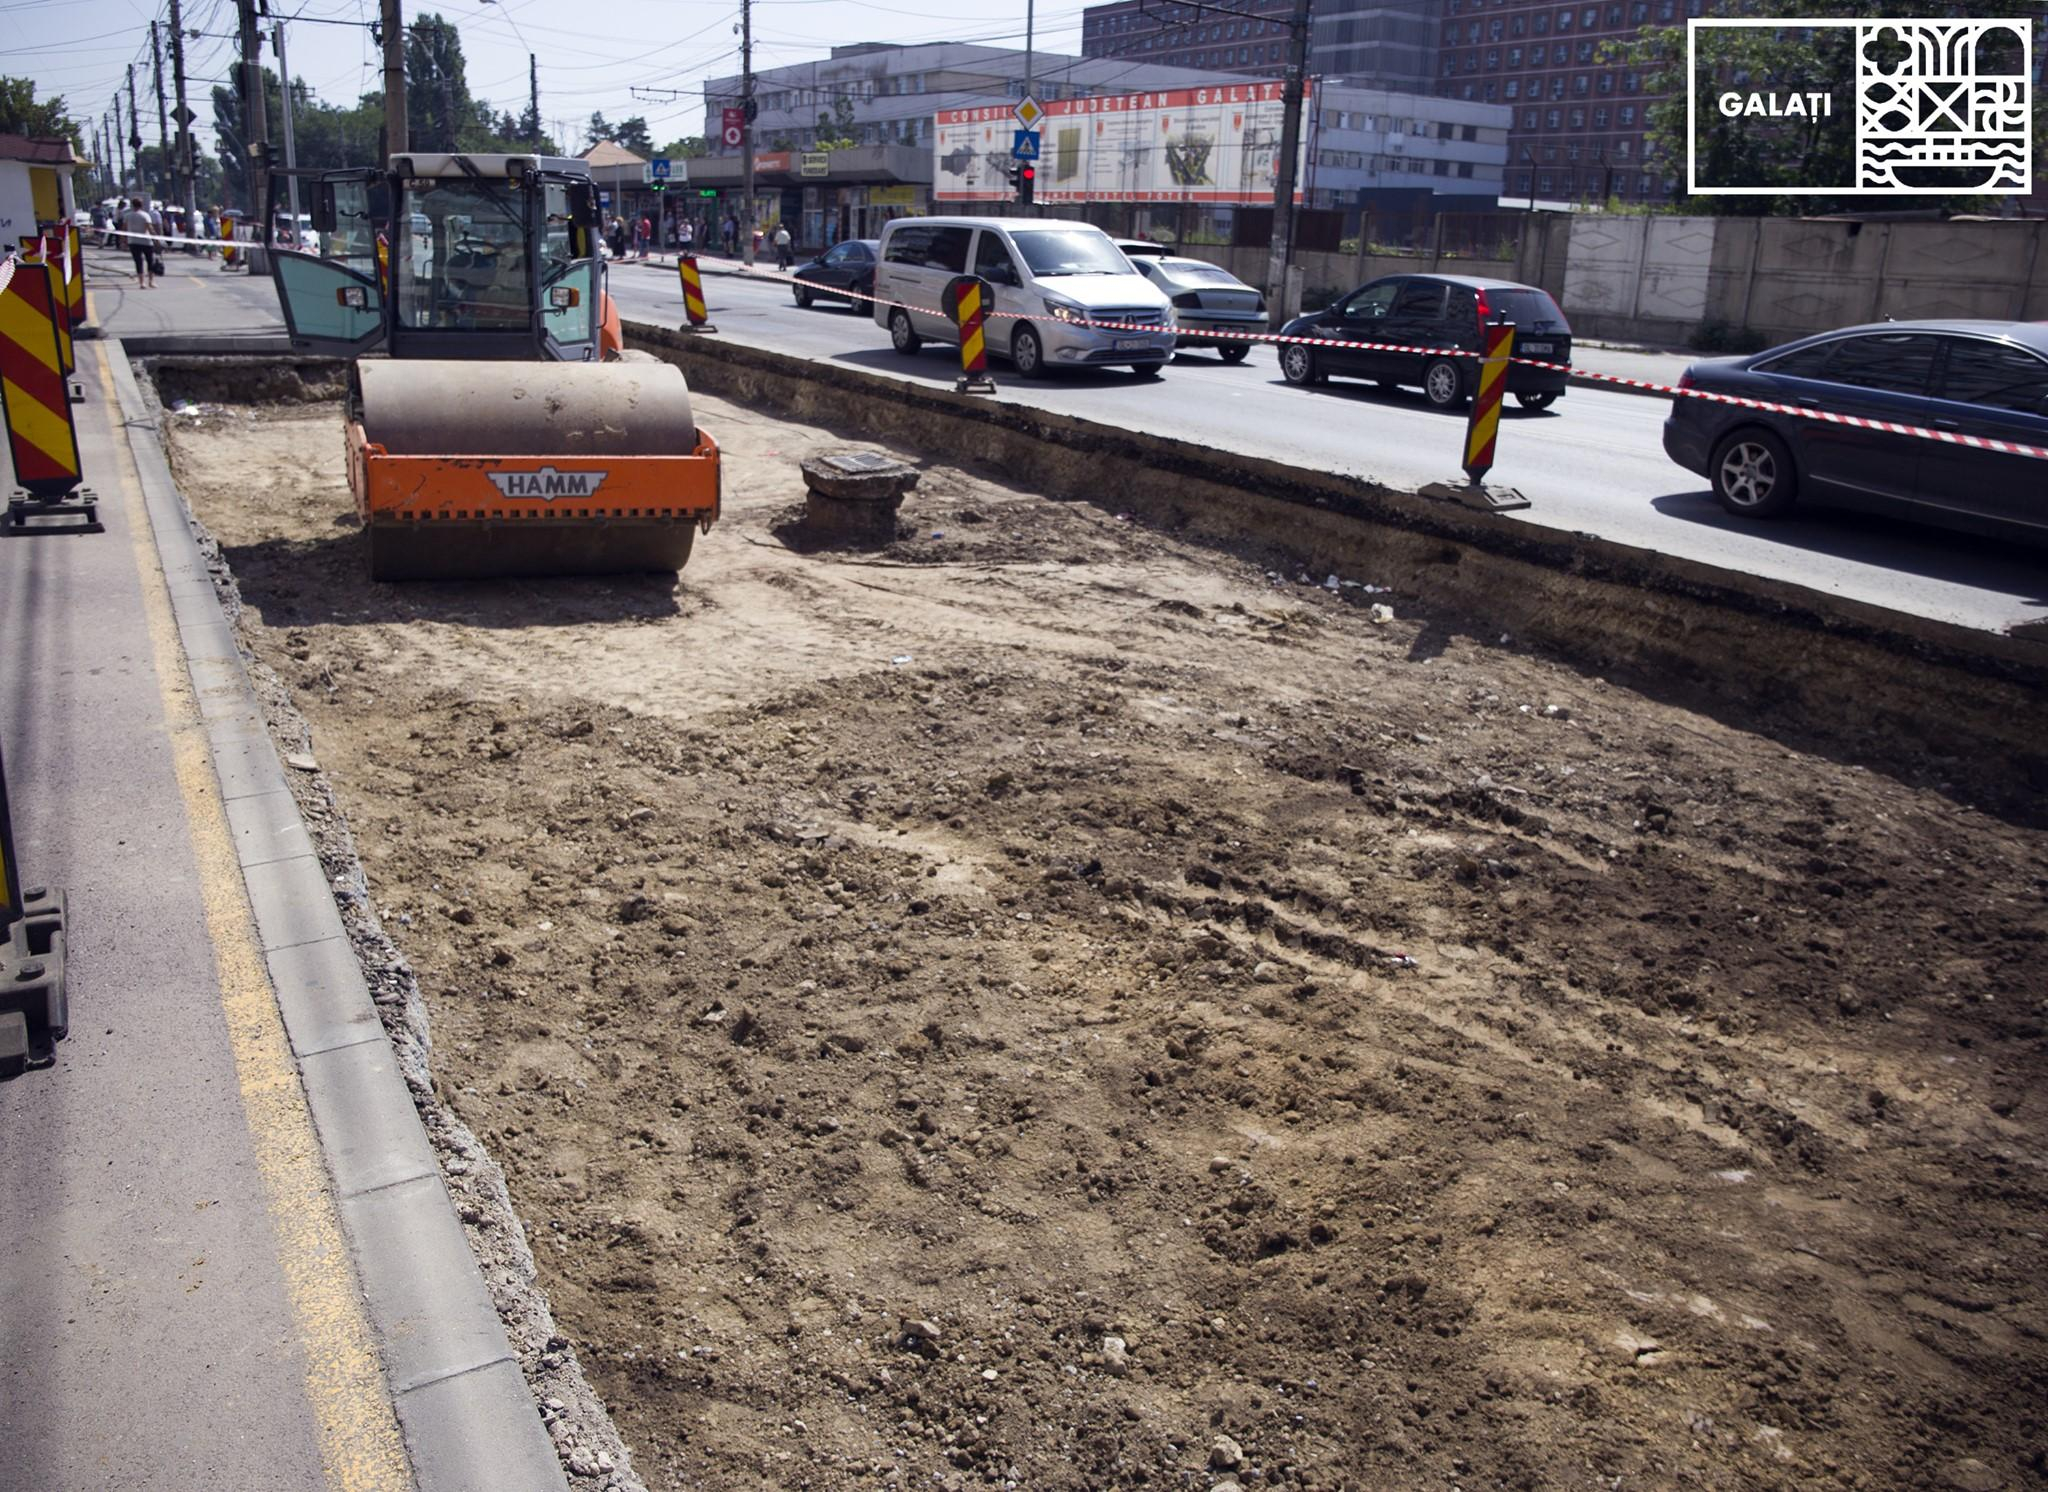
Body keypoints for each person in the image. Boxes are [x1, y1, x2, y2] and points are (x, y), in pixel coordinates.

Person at [119, 197, 156, 287]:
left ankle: (141, 282)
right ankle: (151, 282)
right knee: (150, 261)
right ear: (141, 205)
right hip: (146, 241)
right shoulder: (145, 215)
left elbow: (123, 229)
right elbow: (149, 228)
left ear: (132, 205)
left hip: (133, 241)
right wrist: (156, 239)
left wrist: (123, 240)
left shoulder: (127, 215)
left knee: (138, 262)